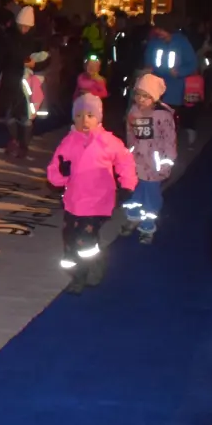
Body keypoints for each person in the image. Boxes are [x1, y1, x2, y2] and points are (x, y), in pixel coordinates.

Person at [47, 93, 137, 293]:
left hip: (98, 202)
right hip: (74, 201)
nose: (84, 120)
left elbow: (125, 162)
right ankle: (78, 269)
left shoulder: (108, 141)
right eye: (79, 116)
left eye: (90, 115)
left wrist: (127, 184)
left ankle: (86, 271)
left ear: (98, 117)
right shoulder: (69, 142)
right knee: (70, 237)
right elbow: (55, 170)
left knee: (85, 239)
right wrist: (61, 174)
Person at [123, 73, 177, 243]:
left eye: (146, 96)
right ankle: (133, 218)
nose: (141, 99)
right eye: (138, 94)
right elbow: (130, 134)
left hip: (154, 165)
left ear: (154, 97)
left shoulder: (163, 116)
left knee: (151, 197)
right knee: (136, 193)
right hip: (136, 162)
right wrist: (127, 154)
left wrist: (166, 162)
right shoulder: (133, 112)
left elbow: (170, 140)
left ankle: (148, 225)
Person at [0, 5, 49, 159]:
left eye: (27, 27)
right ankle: (14, 140)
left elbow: (45, 60)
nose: (24, 29)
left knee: (25, 116)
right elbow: (0, 60)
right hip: (10, 79)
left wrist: (34, 65)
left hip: (28, 82)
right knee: (9, 114)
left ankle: (24, 144)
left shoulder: (36, 40)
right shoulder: (8, 38)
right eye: (22, 26)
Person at [143, 14, 198, 143]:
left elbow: (192, 63)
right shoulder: (154, 43)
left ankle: (169, 142)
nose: (158, 32)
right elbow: (148, 59)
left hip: (174, 87)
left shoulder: (182, 43)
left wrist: (179, 72)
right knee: (154, 114)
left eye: (161, 29)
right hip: (155, 86)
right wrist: (148, 69)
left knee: (170, 115)